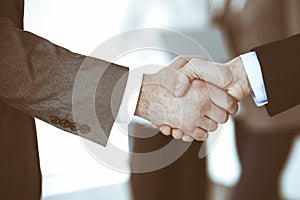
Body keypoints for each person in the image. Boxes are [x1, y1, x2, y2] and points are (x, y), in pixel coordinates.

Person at [0, 0, 238, 199]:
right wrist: (141, 94)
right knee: (152, 182)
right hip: (157, 97)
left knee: (190, 184)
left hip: (186, 96)